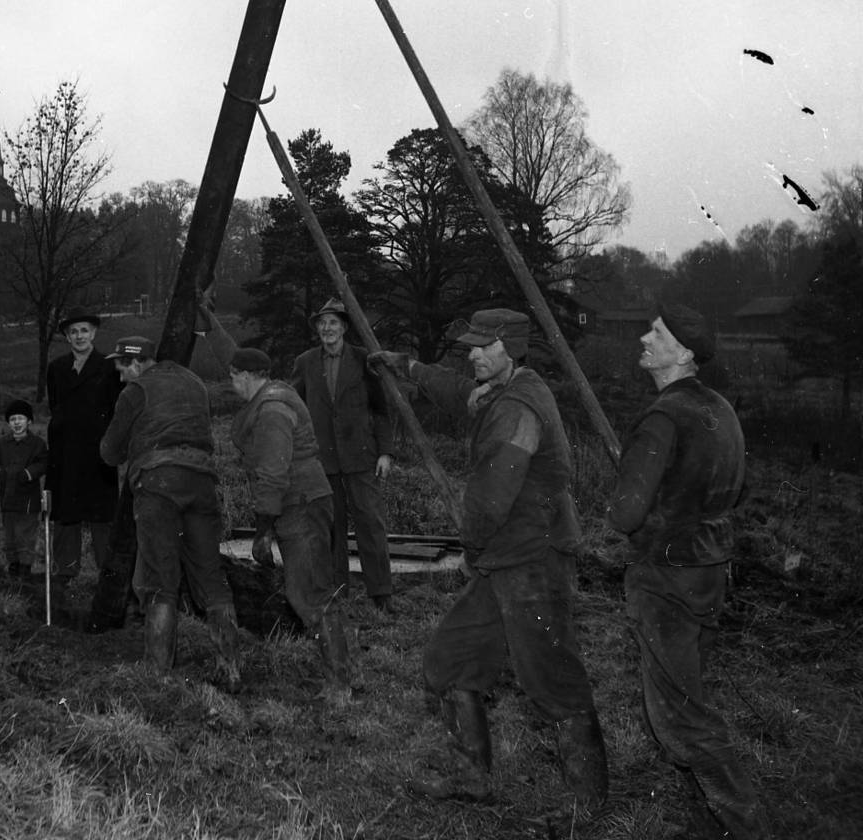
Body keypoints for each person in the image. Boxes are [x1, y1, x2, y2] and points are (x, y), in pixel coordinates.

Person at [370, 309, 607, 812]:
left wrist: (471, 551)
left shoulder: (518, 408)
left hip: (532, 560)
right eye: (470, 347)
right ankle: (472, 779)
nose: (473, 354)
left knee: (551, 677)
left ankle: (587, 806)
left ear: (512, 349)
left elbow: (488, 499)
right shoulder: (503, 388)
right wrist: (408, 365)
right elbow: (460, 392)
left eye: (484, 347)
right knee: (449, 659)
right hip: (505, 558)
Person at [609, 304, 771, 839]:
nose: (643, 336)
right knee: (686, 693)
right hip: (712, 569)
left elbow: (625, 512)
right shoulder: (720, 408)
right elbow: (738, 488)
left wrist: (634, 493)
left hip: (666, 576)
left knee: (681, 716)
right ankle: (711, 821)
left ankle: (749, 827)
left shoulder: (662, 416)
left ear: (681, 353)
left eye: (655, 332)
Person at [198, 306, 363, 704]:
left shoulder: (272, 412)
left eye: (234, 377)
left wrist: (261, 533)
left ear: (249, 377)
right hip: (305, 500)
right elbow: (231, 353)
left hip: (300, 505)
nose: (231, 382)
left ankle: (339, 685)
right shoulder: (271, 390)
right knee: (314, 591)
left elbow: (273, 478)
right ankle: (343, 674)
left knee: (308, 594)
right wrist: (209, 316)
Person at [98, 336, 241, 689]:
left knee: (159, 581)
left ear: (136, 363)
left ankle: (158, 676)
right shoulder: (194, 382)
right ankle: (232, 669)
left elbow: (109, 452)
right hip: (202, 483)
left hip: (158, 485)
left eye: (121, 364)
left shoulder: (135, 391)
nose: (117, 372)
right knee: (211, 579)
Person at [291, 298, 397, 613]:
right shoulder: (305, 362)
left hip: (362, 457)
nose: (327, 328)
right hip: (322, 462)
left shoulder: (366, 361)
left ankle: (381, 594)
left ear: (345, 327)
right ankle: (338, 592)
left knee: (371, 524)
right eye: (322, 323)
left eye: (333, 323)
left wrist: (386, 452)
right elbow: (293, 407)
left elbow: (382, 410)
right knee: (330, 527)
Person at [44, 311, 124, 585]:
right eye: (74, 331)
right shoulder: (56, 368)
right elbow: (55, 405)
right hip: (65, 453)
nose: (79, 336)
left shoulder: (108, 366)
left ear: (94, 334)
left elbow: (115, 409)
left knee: (103, 513)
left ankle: (109, 573)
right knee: (66, 512)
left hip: (98, 452)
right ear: (67, 337)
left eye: (84, 330)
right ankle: (64, 573)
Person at [0, 399, 50, 580]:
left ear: (29, 422)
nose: (17, 422)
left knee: (25, 536)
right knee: (10, 536)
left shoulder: (37, 444)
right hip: (8, 499)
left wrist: (28, 474)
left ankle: (24, 570)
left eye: (21, 418)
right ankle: (13, 568)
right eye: (13, 419)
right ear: (8, 423)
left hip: (29, 500)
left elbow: (44, 462)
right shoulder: (1, 444)